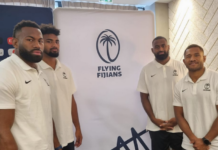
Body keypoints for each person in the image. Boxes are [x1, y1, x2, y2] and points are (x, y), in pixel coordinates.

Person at [0, 20, 53, 150]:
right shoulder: (5, 72)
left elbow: (44, 113)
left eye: (40, 41)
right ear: (15, 43)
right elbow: (2, 131)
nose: (37, 45)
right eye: (30, 40)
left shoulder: (40, 70)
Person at [137, 36, 187, 150]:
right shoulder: (146, 70)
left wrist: (178, 118)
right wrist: (153, 119)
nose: (160, 49)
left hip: (180, 125)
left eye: (163, 45)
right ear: (152, 50)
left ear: (168, 47)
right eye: (157, 47)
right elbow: (144, 97)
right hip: (156, 127)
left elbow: (188, 95)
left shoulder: (181, 67)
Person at [39, 24, 83, 150]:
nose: (54, 45)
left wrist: (78, 127)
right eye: (49, 41)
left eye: (57, 42)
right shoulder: (34, 70)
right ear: (40, 43)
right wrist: (54, 139)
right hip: (46, 139)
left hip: (67, 136)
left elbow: (70, 100)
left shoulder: (65, 70)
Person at [174, 44, 218, 150]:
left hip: (214, 145)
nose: (192, 59)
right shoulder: (179, 85)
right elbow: (179, 115)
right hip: (189, 145)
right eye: (188, 56)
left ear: (204, 58)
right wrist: (194, 140)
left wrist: (206, 141)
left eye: (197, 55)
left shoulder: (216, 78)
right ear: (184, 61)